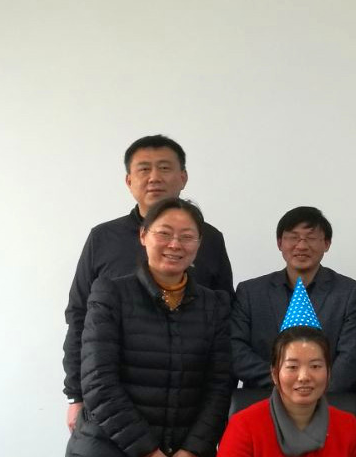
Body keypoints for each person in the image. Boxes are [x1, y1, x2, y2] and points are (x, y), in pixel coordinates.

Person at [53, 197, 233, 457]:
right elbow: (98, 382)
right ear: (143, 236)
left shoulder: (213, 304)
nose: (175, 244)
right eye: (164, 233)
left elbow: (220, 384)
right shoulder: (110, 293)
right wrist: (147, 453)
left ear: (199, 244)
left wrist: (193, 451)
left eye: (187, 236)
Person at [63, 135, 233, 433]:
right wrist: (75, 394)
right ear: (129, 181)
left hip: (187, 402)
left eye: (164, 168)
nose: (154, 177)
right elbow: (79, 315)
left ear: (183, 177)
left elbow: (225, 319)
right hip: (111, 399)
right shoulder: (103, 238)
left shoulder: (210, 239)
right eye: (144, 169)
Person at [213, 325, 356, 457]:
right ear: (274, 373)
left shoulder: (348, 426)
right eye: (292, 367)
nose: (304, 377)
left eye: (315, 366)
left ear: (329, 373)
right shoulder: (243, 427)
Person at [230, 206, 356, 391]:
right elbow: (236, 349)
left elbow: (351, 356)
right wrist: (284, 383)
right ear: (279, 243)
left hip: (328, 399)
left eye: (311, 238)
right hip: (263, 397)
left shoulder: (348, 292)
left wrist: (314, 391)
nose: (301, 246)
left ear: (326, 243)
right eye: (293, 237)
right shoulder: (250, 292)